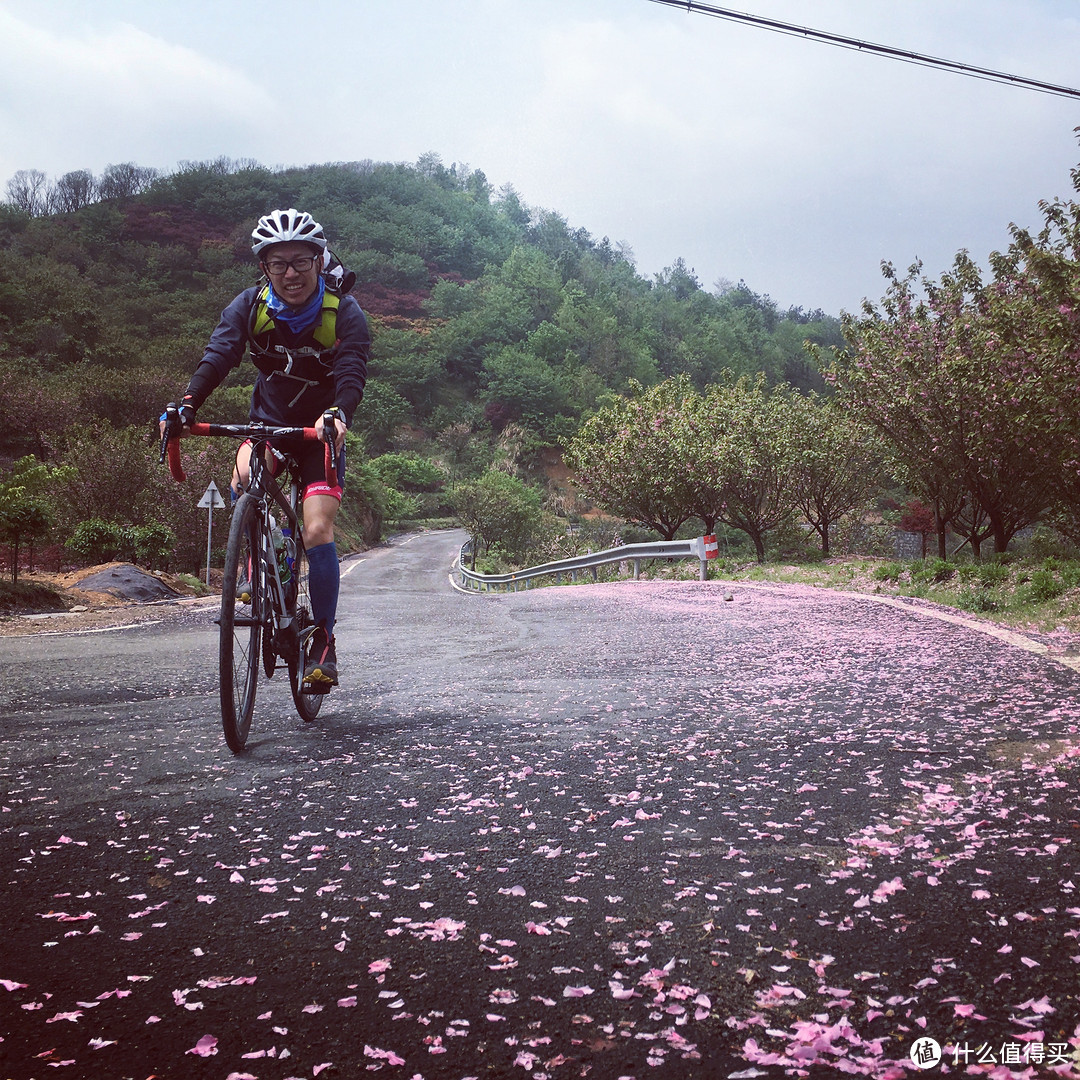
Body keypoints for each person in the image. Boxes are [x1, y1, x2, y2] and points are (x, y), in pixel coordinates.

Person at [162, 208, 369, 690]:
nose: (290, 274)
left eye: (300, 261)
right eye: (279, 264)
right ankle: (264, 561)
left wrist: (338, 413)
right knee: (242, 481)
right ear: (264, 268)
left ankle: (322, 641)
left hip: (321, 431)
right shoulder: (248, 306)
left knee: (317, 529)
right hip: (269, 424)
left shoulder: (344, 312)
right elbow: (220, 354)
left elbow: (352, 370)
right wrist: (189, 403)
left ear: (319, 261)